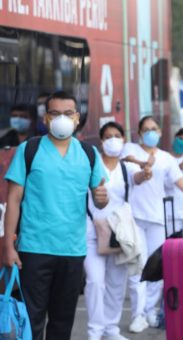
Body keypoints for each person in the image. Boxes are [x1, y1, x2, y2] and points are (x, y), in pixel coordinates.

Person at [3, 90, 109, 340]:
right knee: (31, 320)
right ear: (46, 118)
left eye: (67, 113)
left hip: (72, 250)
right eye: (55, 113)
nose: (62, 118)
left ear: (77, 117)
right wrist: (8, 246)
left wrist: (102, 199)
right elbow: (13, 200)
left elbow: (99, 198)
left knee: (62, 323)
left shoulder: (89, 154)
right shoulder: (28, 150)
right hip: (34, 248)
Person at [121, 116, 183, 333]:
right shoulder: (131, 148)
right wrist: (143, 167)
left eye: (154, 129)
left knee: (155, 267)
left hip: (157, 218)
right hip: (134, 217)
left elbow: (181, 184)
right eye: (146, 129)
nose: (150, 133)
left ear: (161, 132)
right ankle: (138, 314)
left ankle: (151, 311)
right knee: (138, 266)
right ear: (138, 132)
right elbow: (132, 174)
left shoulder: (166, 159)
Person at [85, 121, 140, 340]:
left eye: (117, 135)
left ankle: (111, 329)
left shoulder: (127, 168)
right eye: (108, 136)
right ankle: (95, 331)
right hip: (91, 230)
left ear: (124, 139)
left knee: (117, 283)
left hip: (119, 234)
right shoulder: (91, 164)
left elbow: (141, 177)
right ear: (101, 140)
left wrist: (144, 169)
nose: (113, 140)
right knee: (95, 282)